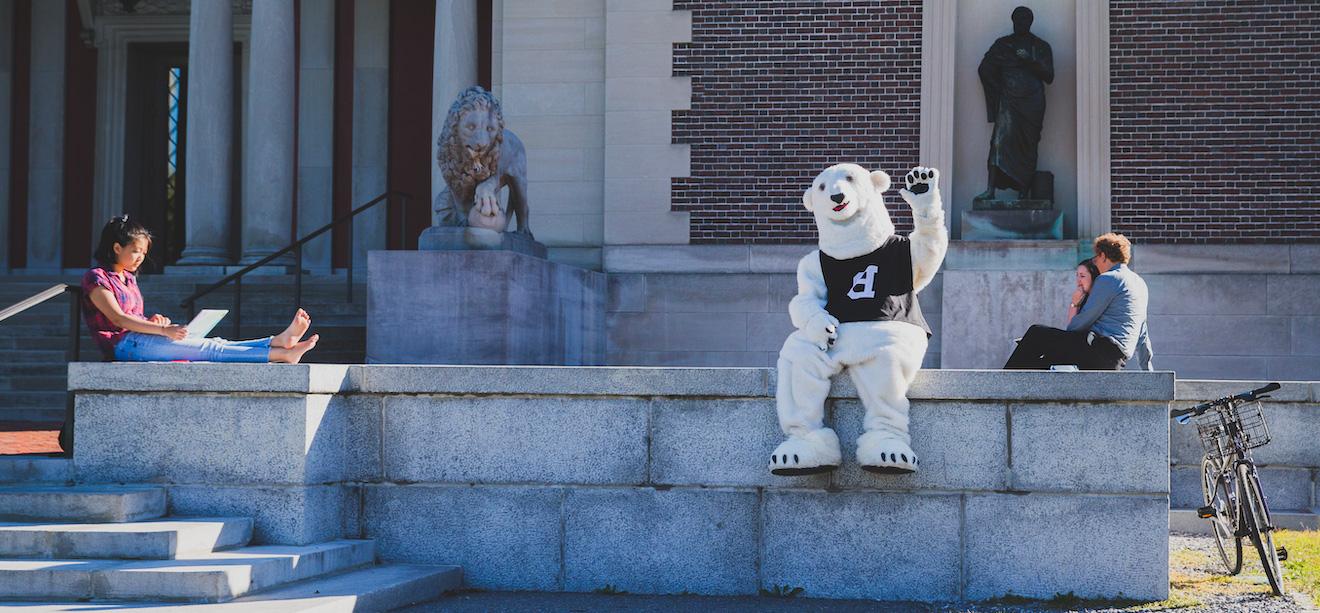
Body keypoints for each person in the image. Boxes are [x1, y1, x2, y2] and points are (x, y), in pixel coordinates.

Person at [82, 215, 319, 363]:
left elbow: (132, 317)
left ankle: (278, 342)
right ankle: (279, 353)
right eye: (136, 251)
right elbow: (118, 319)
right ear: (116, 247)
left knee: (215, 342)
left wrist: (152, 322)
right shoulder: (97, 278)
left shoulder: (128, 279)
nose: (140, 258)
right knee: (209, 349)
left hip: (140, 338)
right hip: (124, 346)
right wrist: (163, 332)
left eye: (144, 253)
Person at [1004, 233, 1153, 370]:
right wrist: (1148, 370)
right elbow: (1143, 334)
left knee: (1037, 333)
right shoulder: (1140, 284)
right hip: (1116, 360)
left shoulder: (1109, 279)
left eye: (1096, 258)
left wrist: (1062, 338)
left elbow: (1084, 320)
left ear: (1103, 256)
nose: (1095, 263)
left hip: (1100, 351)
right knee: (1044, 364)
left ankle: (1000, 383)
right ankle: (1012, 390)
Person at [1068, 258, 1101, 324]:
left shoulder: (1098, 299)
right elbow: (1070, 327)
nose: (1078, 280)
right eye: (1077, 275)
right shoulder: (1082, 298)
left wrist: (1074, 304)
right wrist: (1074, 304)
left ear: (1094, 277)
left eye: (1082, 276)